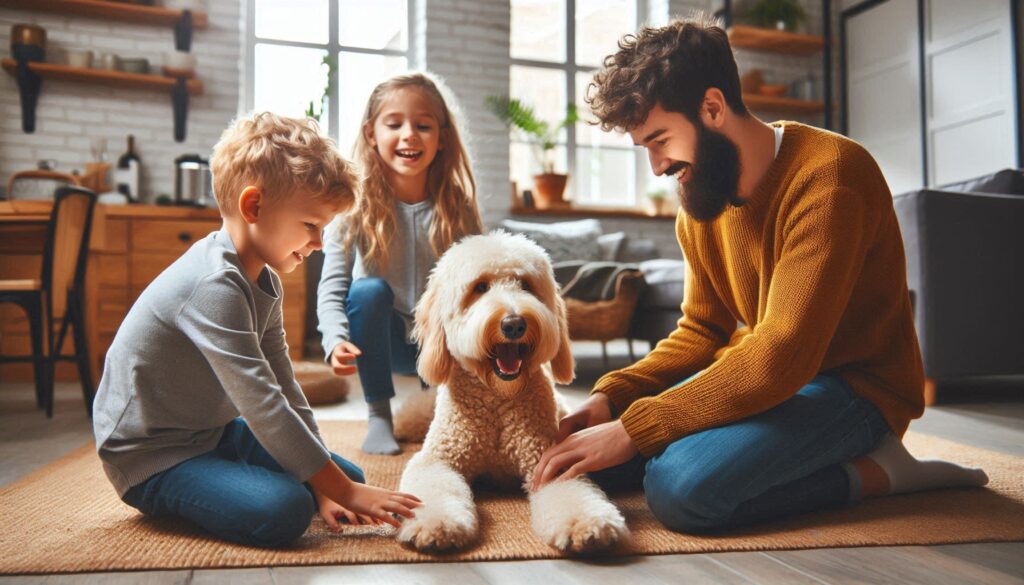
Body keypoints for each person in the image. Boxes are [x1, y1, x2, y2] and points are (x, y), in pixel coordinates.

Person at [532, 17, 988, 533]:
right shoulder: (699, 200)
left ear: (712, 108)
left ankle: (881, 470)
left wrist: (639, 428)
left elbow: (783, 352)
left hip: (855, 388)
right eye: (646, 148)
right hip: (773, 374)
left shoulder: (831, 176)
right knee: (600, 457)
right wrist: (613, 396)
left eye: (661, 140)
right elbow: (702, 330)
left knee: (681, 490)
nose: (657, 166)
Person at [92, 112, 421, 549]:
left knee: (344, 478)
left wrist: (334, 487)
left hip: (213, 433)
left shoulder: (264, 281)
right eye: (311, 226)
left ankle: (275, 480)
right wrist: (337, 489)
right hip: (152, 456)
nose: (320, 244)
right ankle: (210, 489)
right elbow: (264, 404)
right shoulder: (213, 286)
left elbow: (285, 387)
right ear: (254, 207)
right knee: (284, 509)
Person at [317, 72, 483, 455]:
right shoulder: (354, 206)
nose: (409, 134)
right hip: (380, 338)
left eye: (423, 125)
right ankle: (379, 416)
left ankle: (440, 409)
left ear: (442, 138)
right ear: (371, 134)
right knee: (368, 290)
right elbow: (333, 286)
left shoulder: (458, 207)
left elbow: (480, 281)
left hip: (438, 341)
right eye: (395, 124)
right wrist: (335, 338)